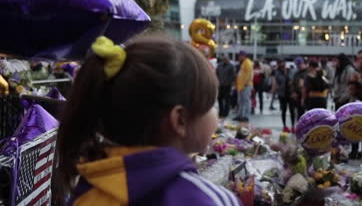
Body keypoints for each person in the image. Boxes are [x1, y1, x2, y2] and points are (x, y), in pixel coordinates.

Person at [56, 36, 240, 205]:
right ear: (180, 120)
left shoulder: (87, 194)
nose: (216, 114)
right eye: (210, 105)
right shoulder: (209, 200)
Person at [272, 60, 295, 132]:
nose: (282, 67)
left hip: (290, 94)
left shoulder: (290, 71)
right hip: (282, 94)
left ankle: (293, 126)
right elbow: (275, 83)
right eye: (280, 66)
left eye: (283, 65)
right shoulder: (277, 73)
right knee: (284, 110)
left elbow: (293, 80)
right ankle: (284, 126)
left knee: (292, 110)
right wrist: (276, 88)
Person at [235, 51, 253, 122]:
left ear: (243, 56)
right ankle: (240, 115)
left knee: (246, 101)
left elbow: (249, 74)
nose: (239, 57)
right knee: (241, 101)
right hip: (241, 85)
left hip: (246, 85)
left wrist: (245, 83)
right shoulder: (244, 63)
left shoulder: (248, 62)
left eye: (240, 56)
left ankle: (246, 116)